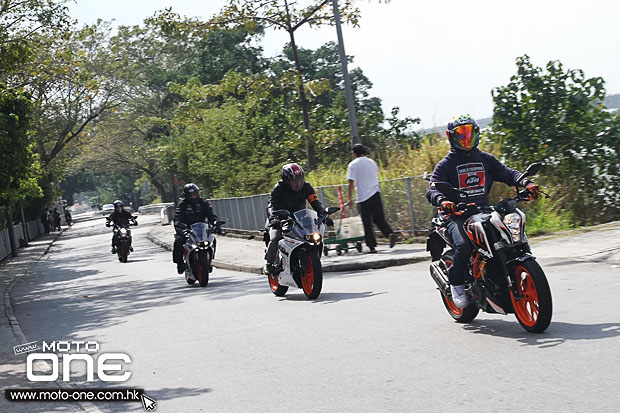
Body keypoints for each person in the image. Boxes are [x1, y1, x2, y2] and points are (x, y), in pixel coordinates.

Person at [425, 114, 541, 308]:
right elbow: (433, 188)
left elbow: (507, 173)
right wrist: (443, 201)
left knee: (507, 236)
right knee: (464, 245)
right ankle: (457, 284)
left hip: (483, 210)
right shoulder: (446, 164)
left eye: (470, 133)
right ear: (451, 137)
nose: (466, 139)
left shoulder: (485, 158)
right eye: (461, 135)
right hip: (456, 216)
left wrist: (526, 182)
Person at [264, 163, 333, 275]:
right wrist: (274, 218)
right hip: (280, 218)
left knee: (313, 235)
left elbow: (315, 202)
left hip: (299, 218)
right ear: (286, 180)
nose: (298, 183)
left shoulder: (306, 187)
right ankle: (269, 264)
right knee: (275, 238)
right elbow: (271, 205)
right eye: (294, 181)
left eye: (300, 179)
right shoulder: (279, 189)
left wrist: (324, 214)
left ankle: (310, 260)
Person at [346, 144, 396, 253]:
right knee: (379, 218)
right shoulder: (372, 162)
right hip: (375, 193)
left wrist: (350, 199)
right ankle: (389, 234)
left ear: (354, 153)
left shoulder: (353, 165)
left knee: (367, 223)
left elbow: (351, 182)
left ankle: (372, 247)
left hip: (363, 197)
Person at [173, 183, 219, 274]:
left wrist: (215, 224)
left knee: (213, 240)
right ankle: (180, 263)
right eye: (191, 195)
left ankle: (209, 260)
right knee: (178, 241)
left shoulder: (204, 203)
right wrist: (181, 229)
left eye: (195, 194)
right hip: (187, 230)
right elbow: (178, 219)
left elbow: (211, 216)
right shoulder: (182, 205)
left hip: (201, 229)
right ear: (186, 195)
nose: (193, 196)